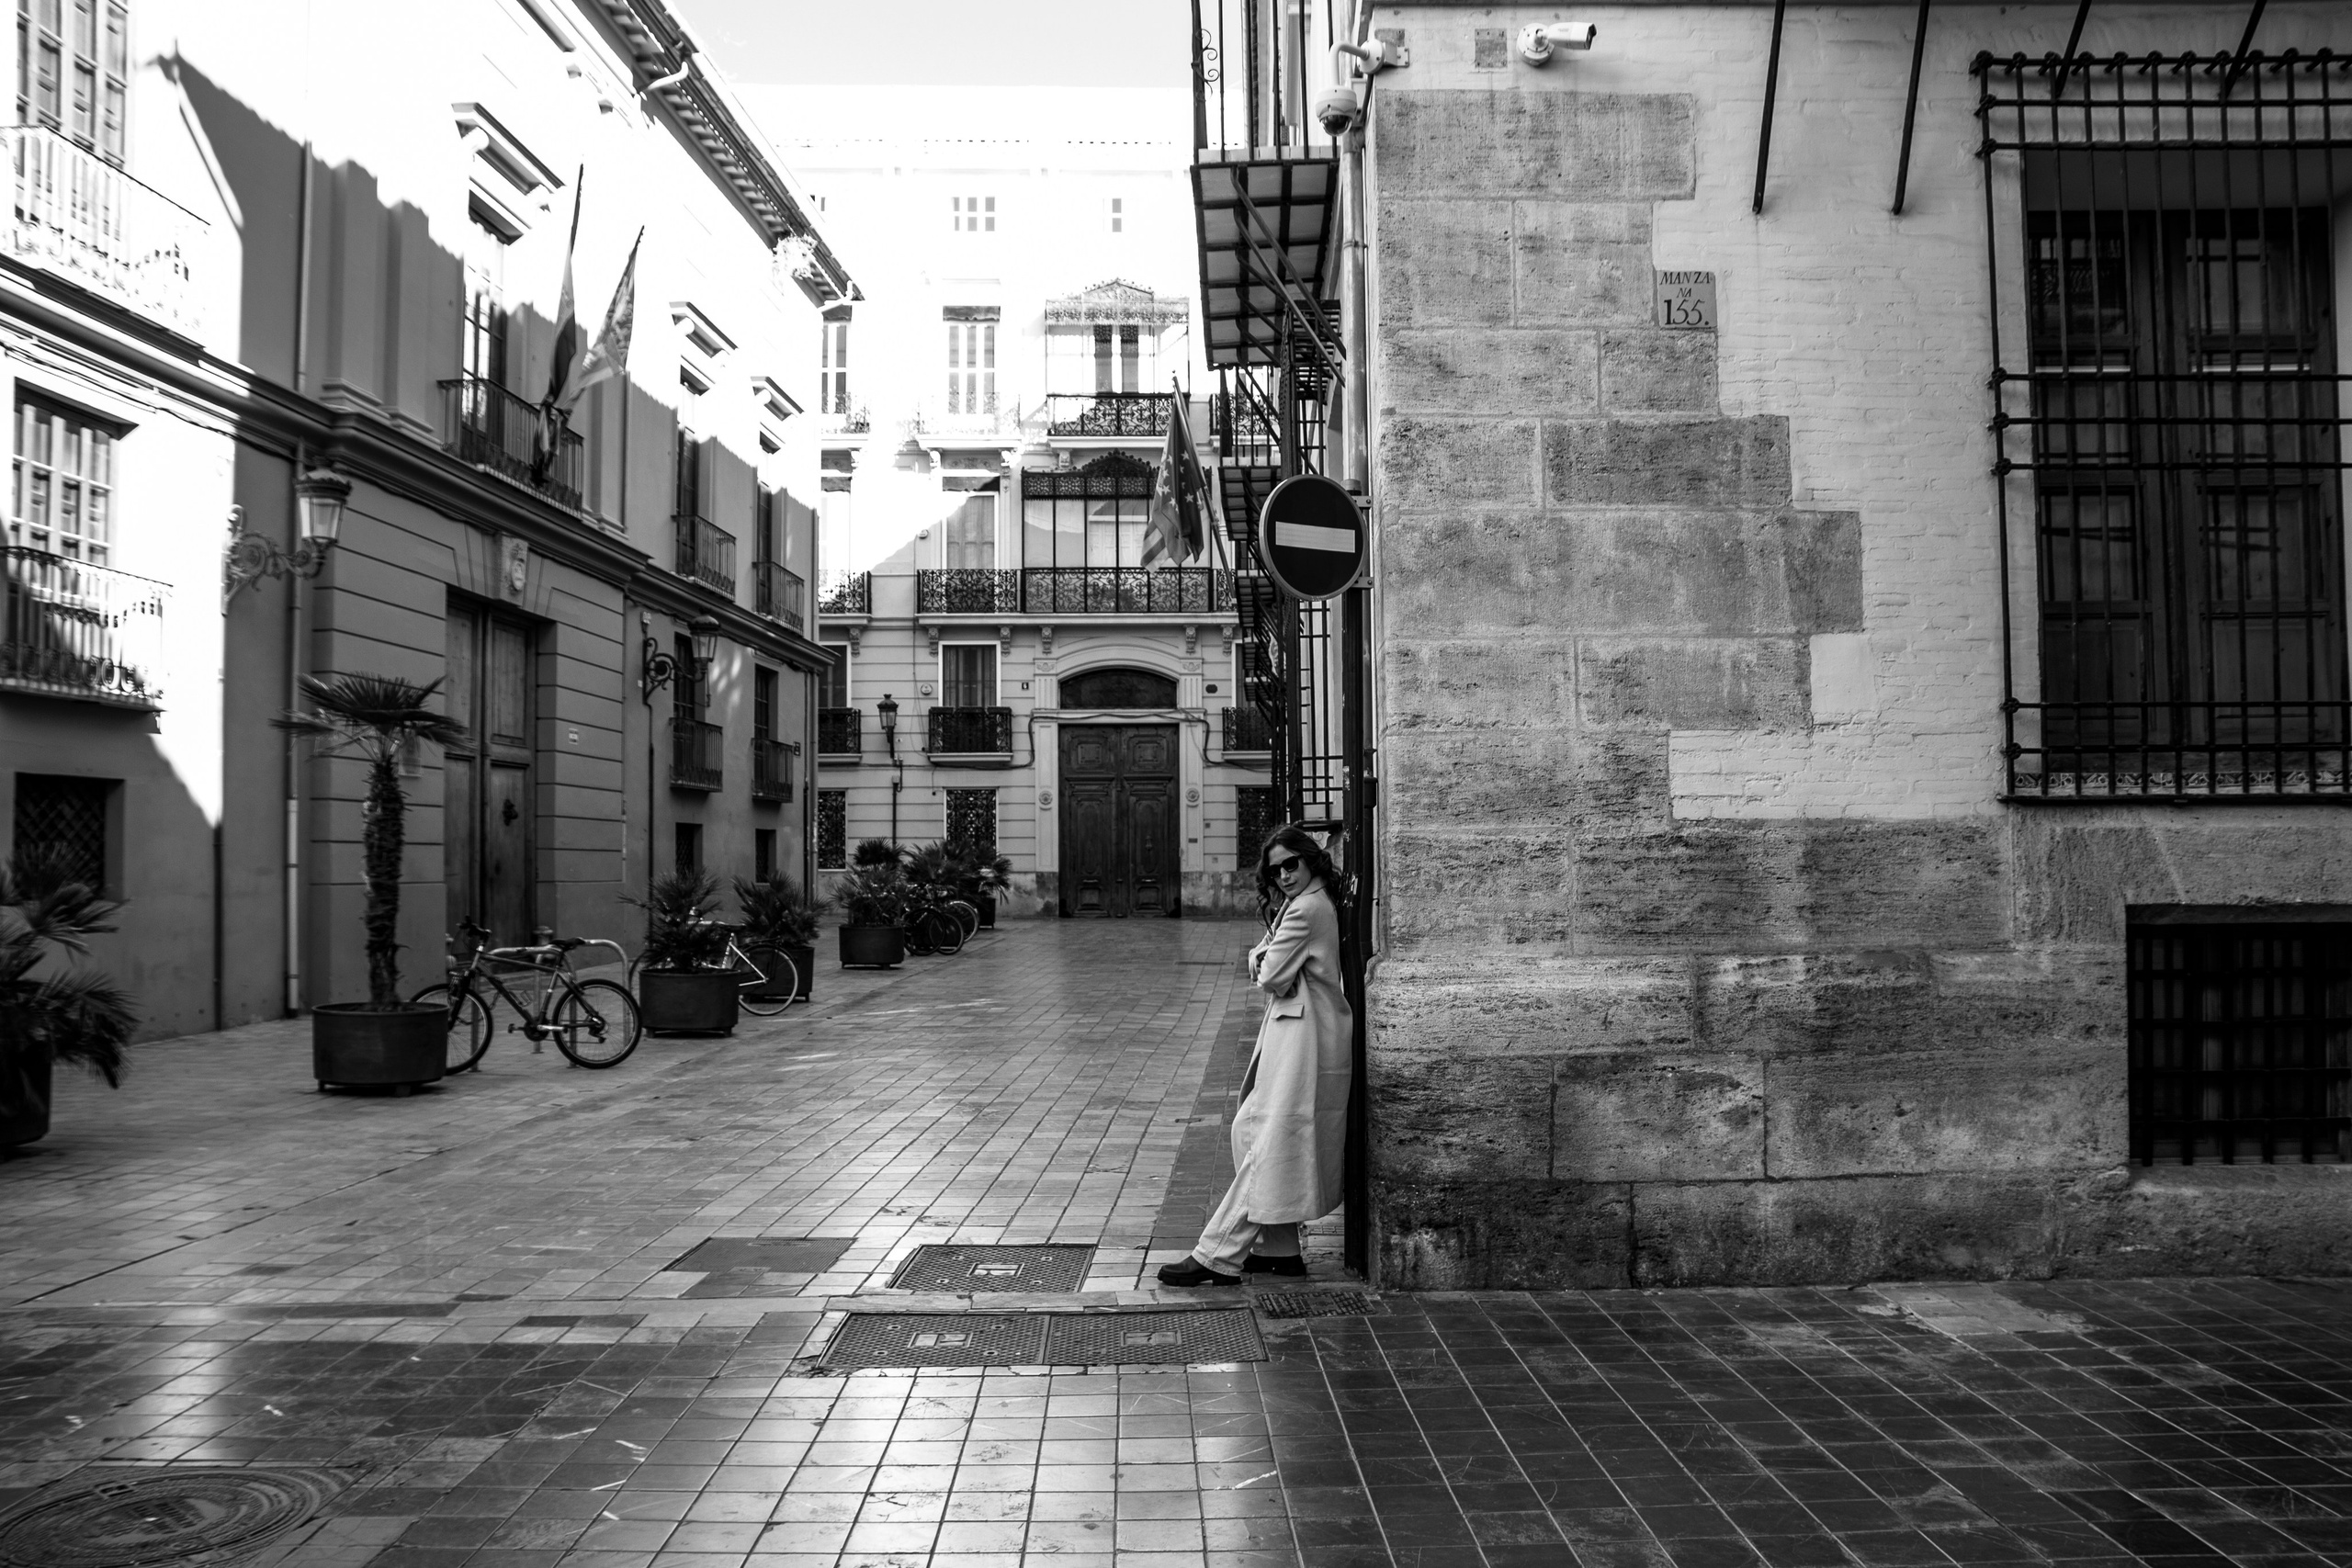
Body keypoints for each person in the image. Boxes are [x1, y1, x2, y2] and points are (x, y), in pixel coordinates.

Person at [1159, 825, 1352, 1287]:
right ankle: (1281, 1251)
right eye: (1275, 870)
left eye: (1292, 864)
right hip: (1300, 1033)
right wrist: (1266, 959)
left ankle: (1216, 1253)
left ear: (1310, 860)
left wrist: (1260, 960)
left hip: (1303, 1039)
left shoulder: (1305, 909)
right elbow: (1276, 967)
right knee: (1250, 1130)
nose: (1284, 875)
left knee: (1266, 1143)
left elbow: (1270, 976)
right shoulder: (1304, 901)